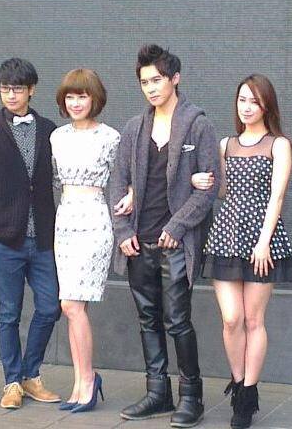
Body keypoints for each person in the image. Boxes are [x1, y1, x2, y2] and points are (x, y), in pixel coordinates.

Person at [110, 44, 220, 427]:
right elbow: (118, 183)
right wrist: (123, 231)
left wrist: (177, 226)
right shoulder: (134, 128)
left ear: (175, 78)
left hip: (175, 243)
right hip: (139, 241)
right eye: (145, 82)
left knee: (177, 320)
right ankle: (158, 393)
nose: (151, 88)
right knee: (148, 319)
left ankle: (191, 396)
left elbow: (208, 189)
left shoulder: (198, 125)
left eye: (157, 80)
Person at [200, 74, 292, 429]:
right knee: (231, 318)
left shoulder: (278, 145)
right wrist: (202, 181)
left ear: (266, 105)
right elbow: (222, 191)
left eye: (254, 101)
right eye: (242, 99)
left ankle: (247, 395)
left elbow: (277, 197)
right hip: (226, 234)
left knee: (254, 320)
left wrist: (263, 240)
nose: (247, 107)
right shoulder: (225, 144)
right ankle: (238, 381)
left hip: (262, 240)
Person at [0, 58, 61, 410]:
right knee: (8, 313)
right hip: (5, 241)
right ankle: (12, 382)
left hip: (44, 241)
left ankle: (30, 374)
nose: (11, 94)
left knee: (50, 307)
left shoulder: (50, 130)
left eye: (18, 88)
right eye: (5, 88)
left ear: (31, 90)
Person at [51, 68, 126, 413]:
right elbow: (53, 180)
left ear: (95, 98)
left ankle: (88, 379)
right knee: (71, 307)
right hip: (65, 220)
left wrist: (130, 197)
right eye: (70, 96)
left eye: (82, 96)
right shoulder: (57, 137)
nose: (76, 102)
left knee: (72, 305)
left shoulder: (110, 137)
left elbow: (126, 177)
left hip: (95, 221)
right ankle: (81, 381)